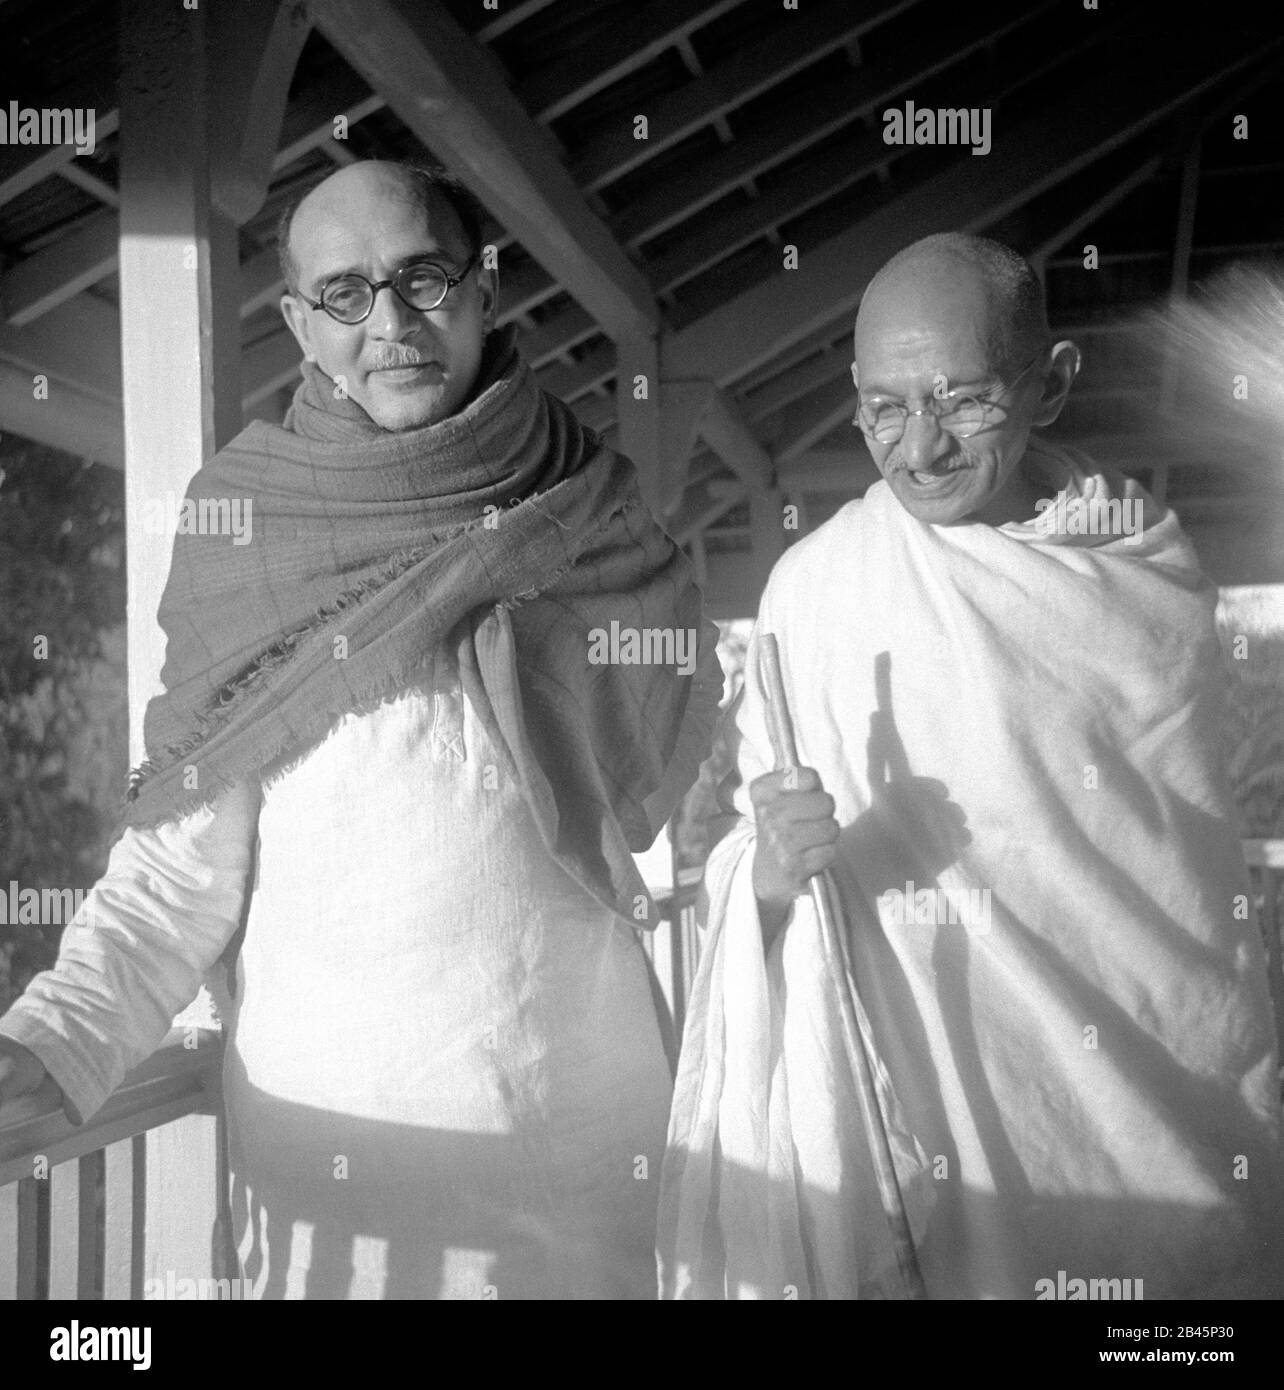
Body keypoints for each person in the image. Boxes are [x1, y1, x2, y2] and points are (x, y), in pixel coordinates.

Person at [0, 160, 721, 1299]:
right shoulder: (246, 536)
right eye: (343, 294)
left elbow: (703, 799)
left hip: (598, 1164)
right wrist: (47, 1045)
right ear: (296, 322)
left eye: (421, 278)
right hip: (355, 1202)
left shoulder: (593, 504)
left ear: (484, 288)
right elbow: (174, 883)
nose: (387, 323)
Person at [659, 232, 1281, 1300]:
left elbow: (1182, 882)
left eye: (963, 401)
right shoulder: (816, 595)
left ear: (1050, 387)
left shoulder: (1144, 582)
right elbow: (755, 881)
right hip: (939, 1144)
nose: (921, 449)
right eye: (885, 408)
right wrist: (767, 876)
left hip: (1163, 1119)